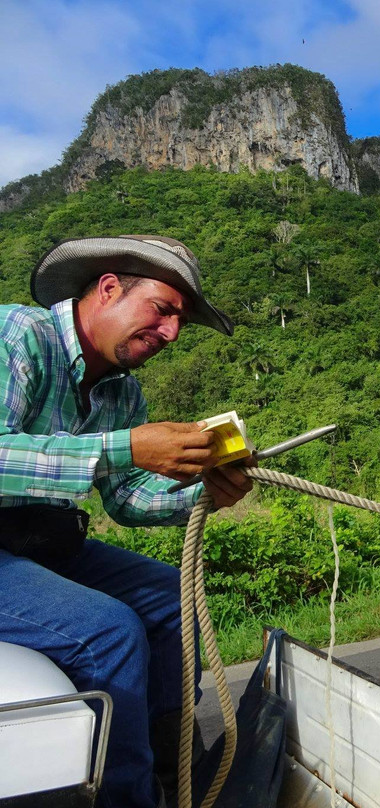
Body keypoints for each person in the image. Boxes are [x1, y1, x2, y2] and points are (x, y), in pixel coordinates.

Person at [0, 235, 253, 808]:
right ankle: (127, 798)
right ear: (110, 287)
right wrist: (128, 448)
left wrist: (205, 494)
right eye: (162, 310)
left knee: (172, 599)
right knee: (107, 631)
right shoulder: (18, 335)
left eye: (179, 321)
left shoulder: (122, 393)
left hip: (43, 541)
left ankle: (176, 776)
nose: (171, 333)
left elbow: (127, 499)